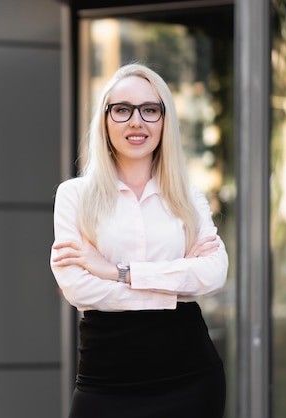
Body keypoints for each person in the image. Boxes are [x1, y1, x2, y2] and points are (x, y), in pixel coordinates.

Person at [50, 63, 229, 418]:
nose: (137, 122)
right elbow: (77, 288)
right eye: (122, 110)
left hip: (189, 377)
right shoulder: (75, 196)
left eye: (150, 110)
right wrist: (174, 287)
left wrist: (115, 271)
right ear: (105, 120)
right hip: (106, 380)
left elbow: (213, 274)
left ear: (165, 121)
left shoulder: (188, 198)